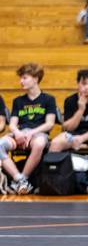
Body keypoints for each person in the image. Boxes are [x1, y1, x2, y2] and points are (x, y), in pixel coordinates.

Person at [48, 69, 88, 195]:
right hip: (74, 134)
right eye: (84, 83)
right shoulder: (70, 101)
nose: (86, 87)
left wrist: (82, 138)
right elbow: (67, 127)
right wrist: (81, 110)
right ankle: (51, 180)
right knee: (55, 143)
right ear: (78, 84)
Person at [0, 63, 57, 195]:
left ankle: (23, 178)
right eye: (21, 78)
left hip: (38, 134)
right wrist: (17, 133)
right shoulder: (18, 101)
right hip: (20, 134)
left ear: (36, 79)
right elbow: (12, 124)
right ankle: (19, 179)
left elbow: (50, 124)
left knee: (39, 143)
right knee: (0, 144)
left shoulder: (48, 99)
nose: (21, 81)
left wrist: (32, 132)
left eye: (24, 78)